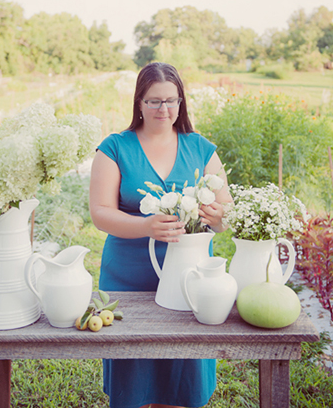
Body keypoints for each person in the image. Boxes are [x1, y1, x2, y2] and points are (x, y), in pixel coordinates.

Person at [89, 62, 233, 408]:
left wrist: (218, 215)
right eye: (154, 101)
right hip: (129, 278)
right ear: (139, 102)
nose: (163, 109)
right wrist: (145, 226)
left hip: (191, 281)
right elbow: (100, 213)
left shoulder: (201, 148)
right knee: (135, 381)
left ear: (181, 103)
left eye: (171, 100)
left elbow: (227, 213)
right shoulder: (114, 148)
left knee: (184, 379)